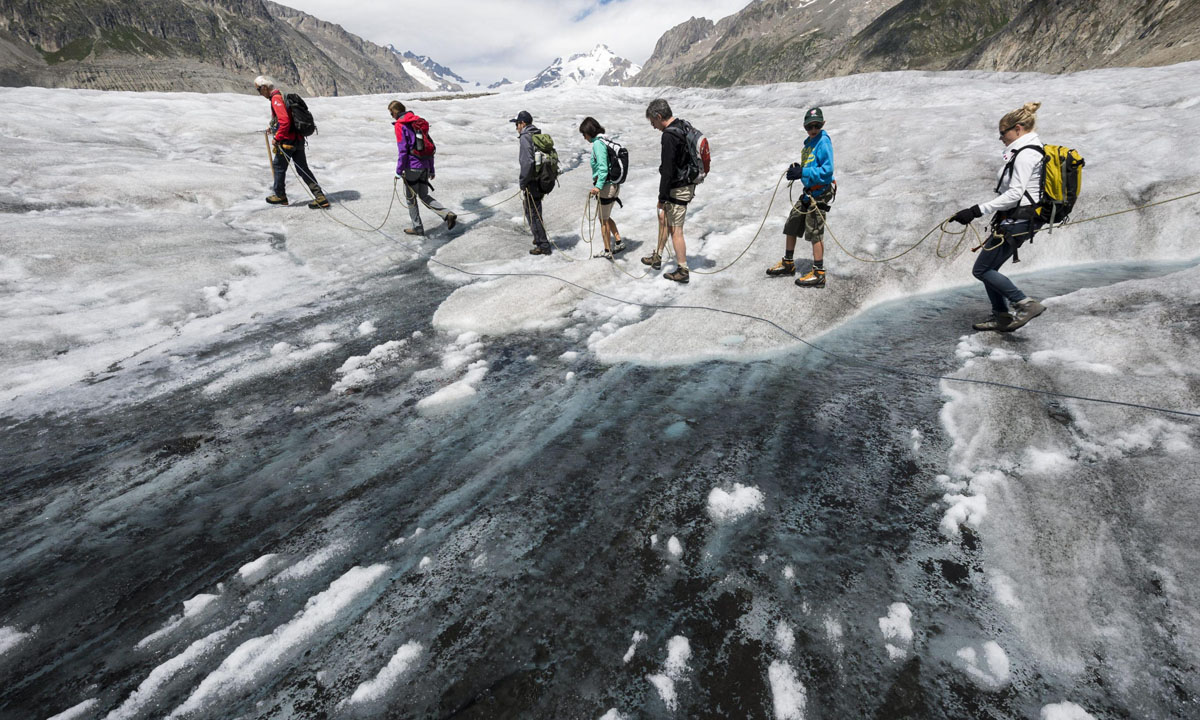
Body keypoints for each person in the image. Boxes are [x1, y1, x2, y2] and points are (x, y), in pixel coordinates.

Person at [950, 101, 1048, 332]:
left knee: (982, 270)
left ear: (1018, 129)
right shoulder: (1025, 150)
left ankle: (1025, 304)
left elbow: (1015, 194)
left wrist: (977, 210)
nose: (1001, 137)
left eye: (1003, 133)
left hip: (1019, 220)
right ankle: (1001, 316)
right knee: (989, 269)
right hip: (1016, 219)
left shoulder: (1025, 154)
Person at [768, 107, 835, 288]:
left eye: (817, 125)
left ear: (822, 124)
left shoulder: (823, 142)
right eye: (809, 127)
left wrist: (803, 172)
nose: (813, 129)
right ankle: (788, 262)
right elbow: (811, 165)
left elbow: (827, 171)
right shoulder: (809, 143)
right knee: (793, 222)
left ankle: (819, 273)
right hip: (809, 191)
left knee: (815, 230)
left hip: (819, 192)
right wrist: (799, 169)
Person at [254, 75, 329, 209]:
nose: (260, 93)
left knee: (278, 166)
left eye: (259, 90)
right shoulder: (282, 96)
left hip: (287, 141)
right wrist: (273, 128)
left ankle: (280, 195)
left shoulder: (276, 99)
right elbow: (284, 119)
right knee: (303, 169)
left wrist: (277, 138)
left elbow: (285, 121)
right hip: (298, 139)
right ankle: (320, 197)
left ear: (264, 88)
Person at [642, 98, 696, 283]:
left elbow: (668, 170)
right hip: (684, 183)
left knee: (676, 230)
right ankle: (657, 257)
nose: (653, 126)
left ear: (659, 116)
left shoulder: (669, 136)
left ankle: (683, 270)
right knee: (664, 220)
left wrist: (662, 198)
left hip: (678, 188)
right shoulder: (682, 125)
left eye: (653, 122)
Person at [390, 101, 456, 236]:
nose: (392, 116)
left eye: (391, 113)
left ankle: (417, 228)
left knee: (411, 199)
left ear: (396, 112)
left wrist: (398, 171)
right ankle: (447, 214)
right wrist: (431, 168)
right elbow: (428, 145)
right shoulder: (419, 123)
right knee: (424, 195)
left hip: (412, 166)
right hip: (425, 165)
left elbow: (403, 150)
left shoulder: (400, 125)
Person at [579, 116, 625, 259]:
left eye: (584, 134)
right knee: (606, 216)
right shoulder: (605, 140)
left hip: (606, 187)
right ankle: (618, 241)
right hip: (613, 185)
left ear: (589, 132)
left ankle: (607, 250)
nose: (584, 137)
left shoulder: (598, 144)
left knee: (603, 220)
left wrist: (598, 187)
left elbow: (603, 168)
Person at [512, 110, 551, 255]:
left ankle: (543, 245)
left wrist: (523, 182)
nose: (516, 127)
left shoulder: (525, 137)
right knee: (533, 210)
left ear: (522, 123)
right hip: (541, 179)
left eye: (517, 124)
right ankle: (538, 237)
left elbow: (527, 162)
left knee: (533, 212)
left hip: (532, 181)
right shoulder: (536, 134)